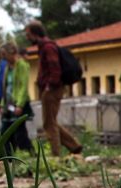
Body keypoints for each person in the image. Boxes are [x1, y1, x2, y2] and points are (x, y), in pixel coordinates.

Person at [24, 20, 82, 157]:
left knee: (48, 124)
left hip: (52, 89)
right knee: (51, 121)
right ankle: (74, 146)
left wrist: (49, 86)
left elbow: (54, 68)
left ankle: (56, 155)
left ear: (34, 33)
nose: (27, 37)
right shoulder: (43, 47)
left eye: (28, 34)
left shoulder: (48, 47)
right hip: (51, 88)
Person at [0, 42, 34, 154]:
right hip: (8, 103)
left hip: (18, 103)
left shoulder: (22, 66)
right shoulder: (7, 68)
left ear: (12, 53)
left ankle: (30, 154)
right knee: (5, 132)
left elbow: (23, 86)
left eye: (4, 54)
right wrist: (2, 104)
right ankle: (6, 157)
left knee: (19, 132)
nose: (3, 57)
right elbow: (6, 86)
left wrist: (20, 104)